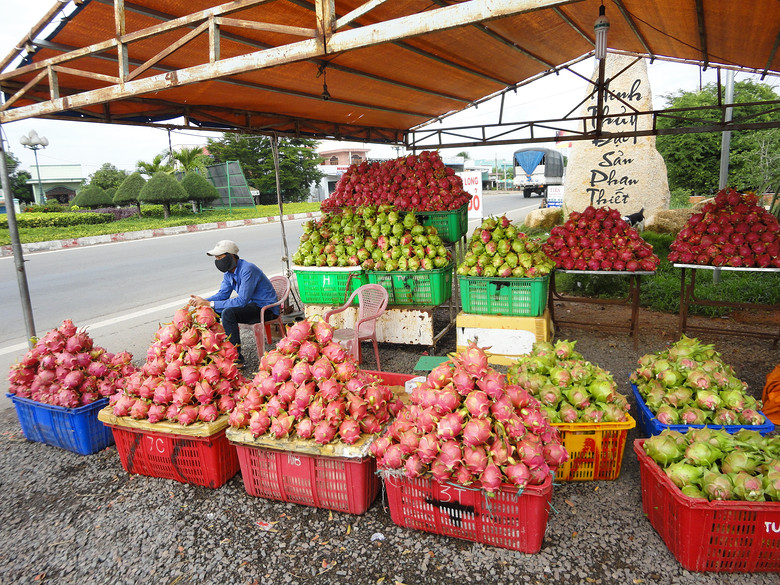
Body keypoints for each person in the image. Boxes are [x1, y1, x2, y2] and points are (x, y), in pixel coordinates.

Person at [189, 240, 279, 366]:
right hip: (250, 306)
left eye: (220, 257)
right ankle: (213, 351)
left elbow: (241, 301)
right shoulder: (229, 273)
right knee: (214, 310)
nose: (218, 261)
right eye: (216, 258)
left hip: (265, 309)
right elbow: (222, 295)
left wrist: (209, 304)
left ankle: (235, 358)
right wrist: (203, 302)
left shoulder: (248, 269)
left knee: (228, 313)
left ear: (231, 256)